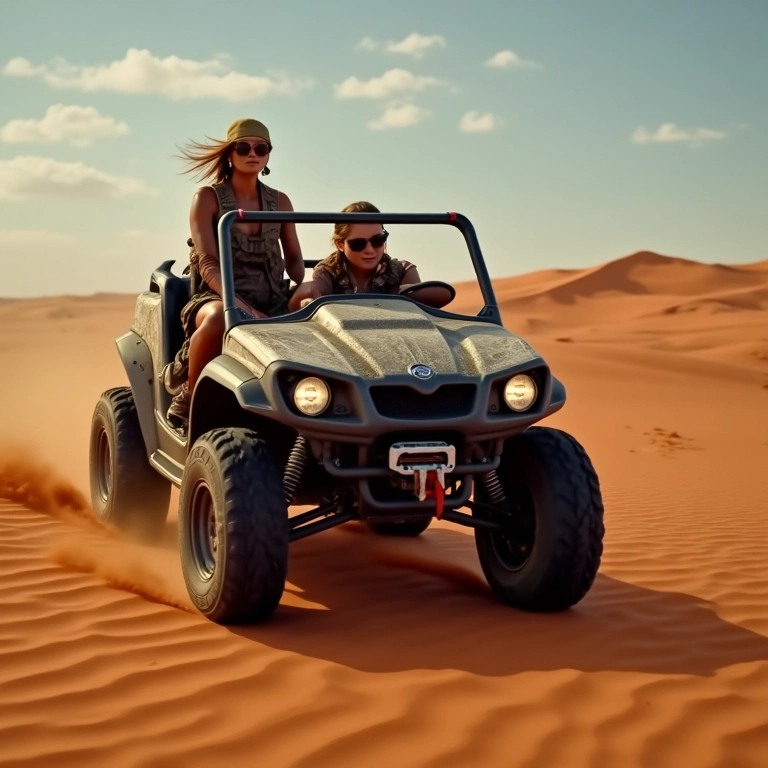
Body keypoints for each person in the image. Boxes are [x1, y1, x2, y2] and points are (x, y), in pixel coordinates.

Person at [164, 118, 305, 433]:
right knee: (219, 318)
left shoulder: (280, 201)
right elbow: (208, 263)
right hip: (216, 296)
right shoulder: (208, 198)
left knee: (318, 314)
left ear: (268, 155)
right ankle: (190, 398)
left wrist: (313, 284)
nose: (252, 154)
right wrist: (241, 306)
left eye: (261, 148)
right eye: (243, 147)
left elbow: (295, 260)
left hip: (272, 298)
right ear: (230, 153)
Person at [288, 201, 453, 311]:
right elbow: (302, 302)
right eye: (358, 244)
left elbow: (431, 301)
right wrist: (309, 302)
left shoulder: (402, 271)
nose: (370, 250)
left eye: (378, 240)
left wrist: (399, 295)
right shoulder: (327, 273)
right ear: (340, 244)